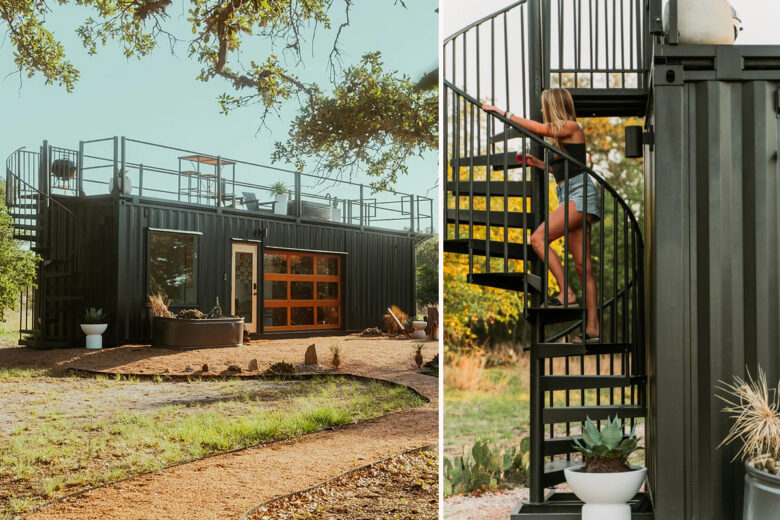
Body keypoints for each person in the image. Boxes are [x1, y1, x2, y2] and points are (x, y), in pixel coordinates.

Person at [482, 88, 601, 342]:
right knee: (583, 267)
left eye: (544, 106)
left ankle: (566, 293)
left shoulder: (571, 126)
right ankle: (593, 328)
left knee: (537, 239)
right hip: (568, 193)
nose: (541, 111)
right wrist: (539, 164)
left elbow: (539, 128)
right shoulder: (561, 138)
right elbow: (564, 168)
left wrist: (502, 113)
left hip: (579, 194)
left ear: (553, 105)